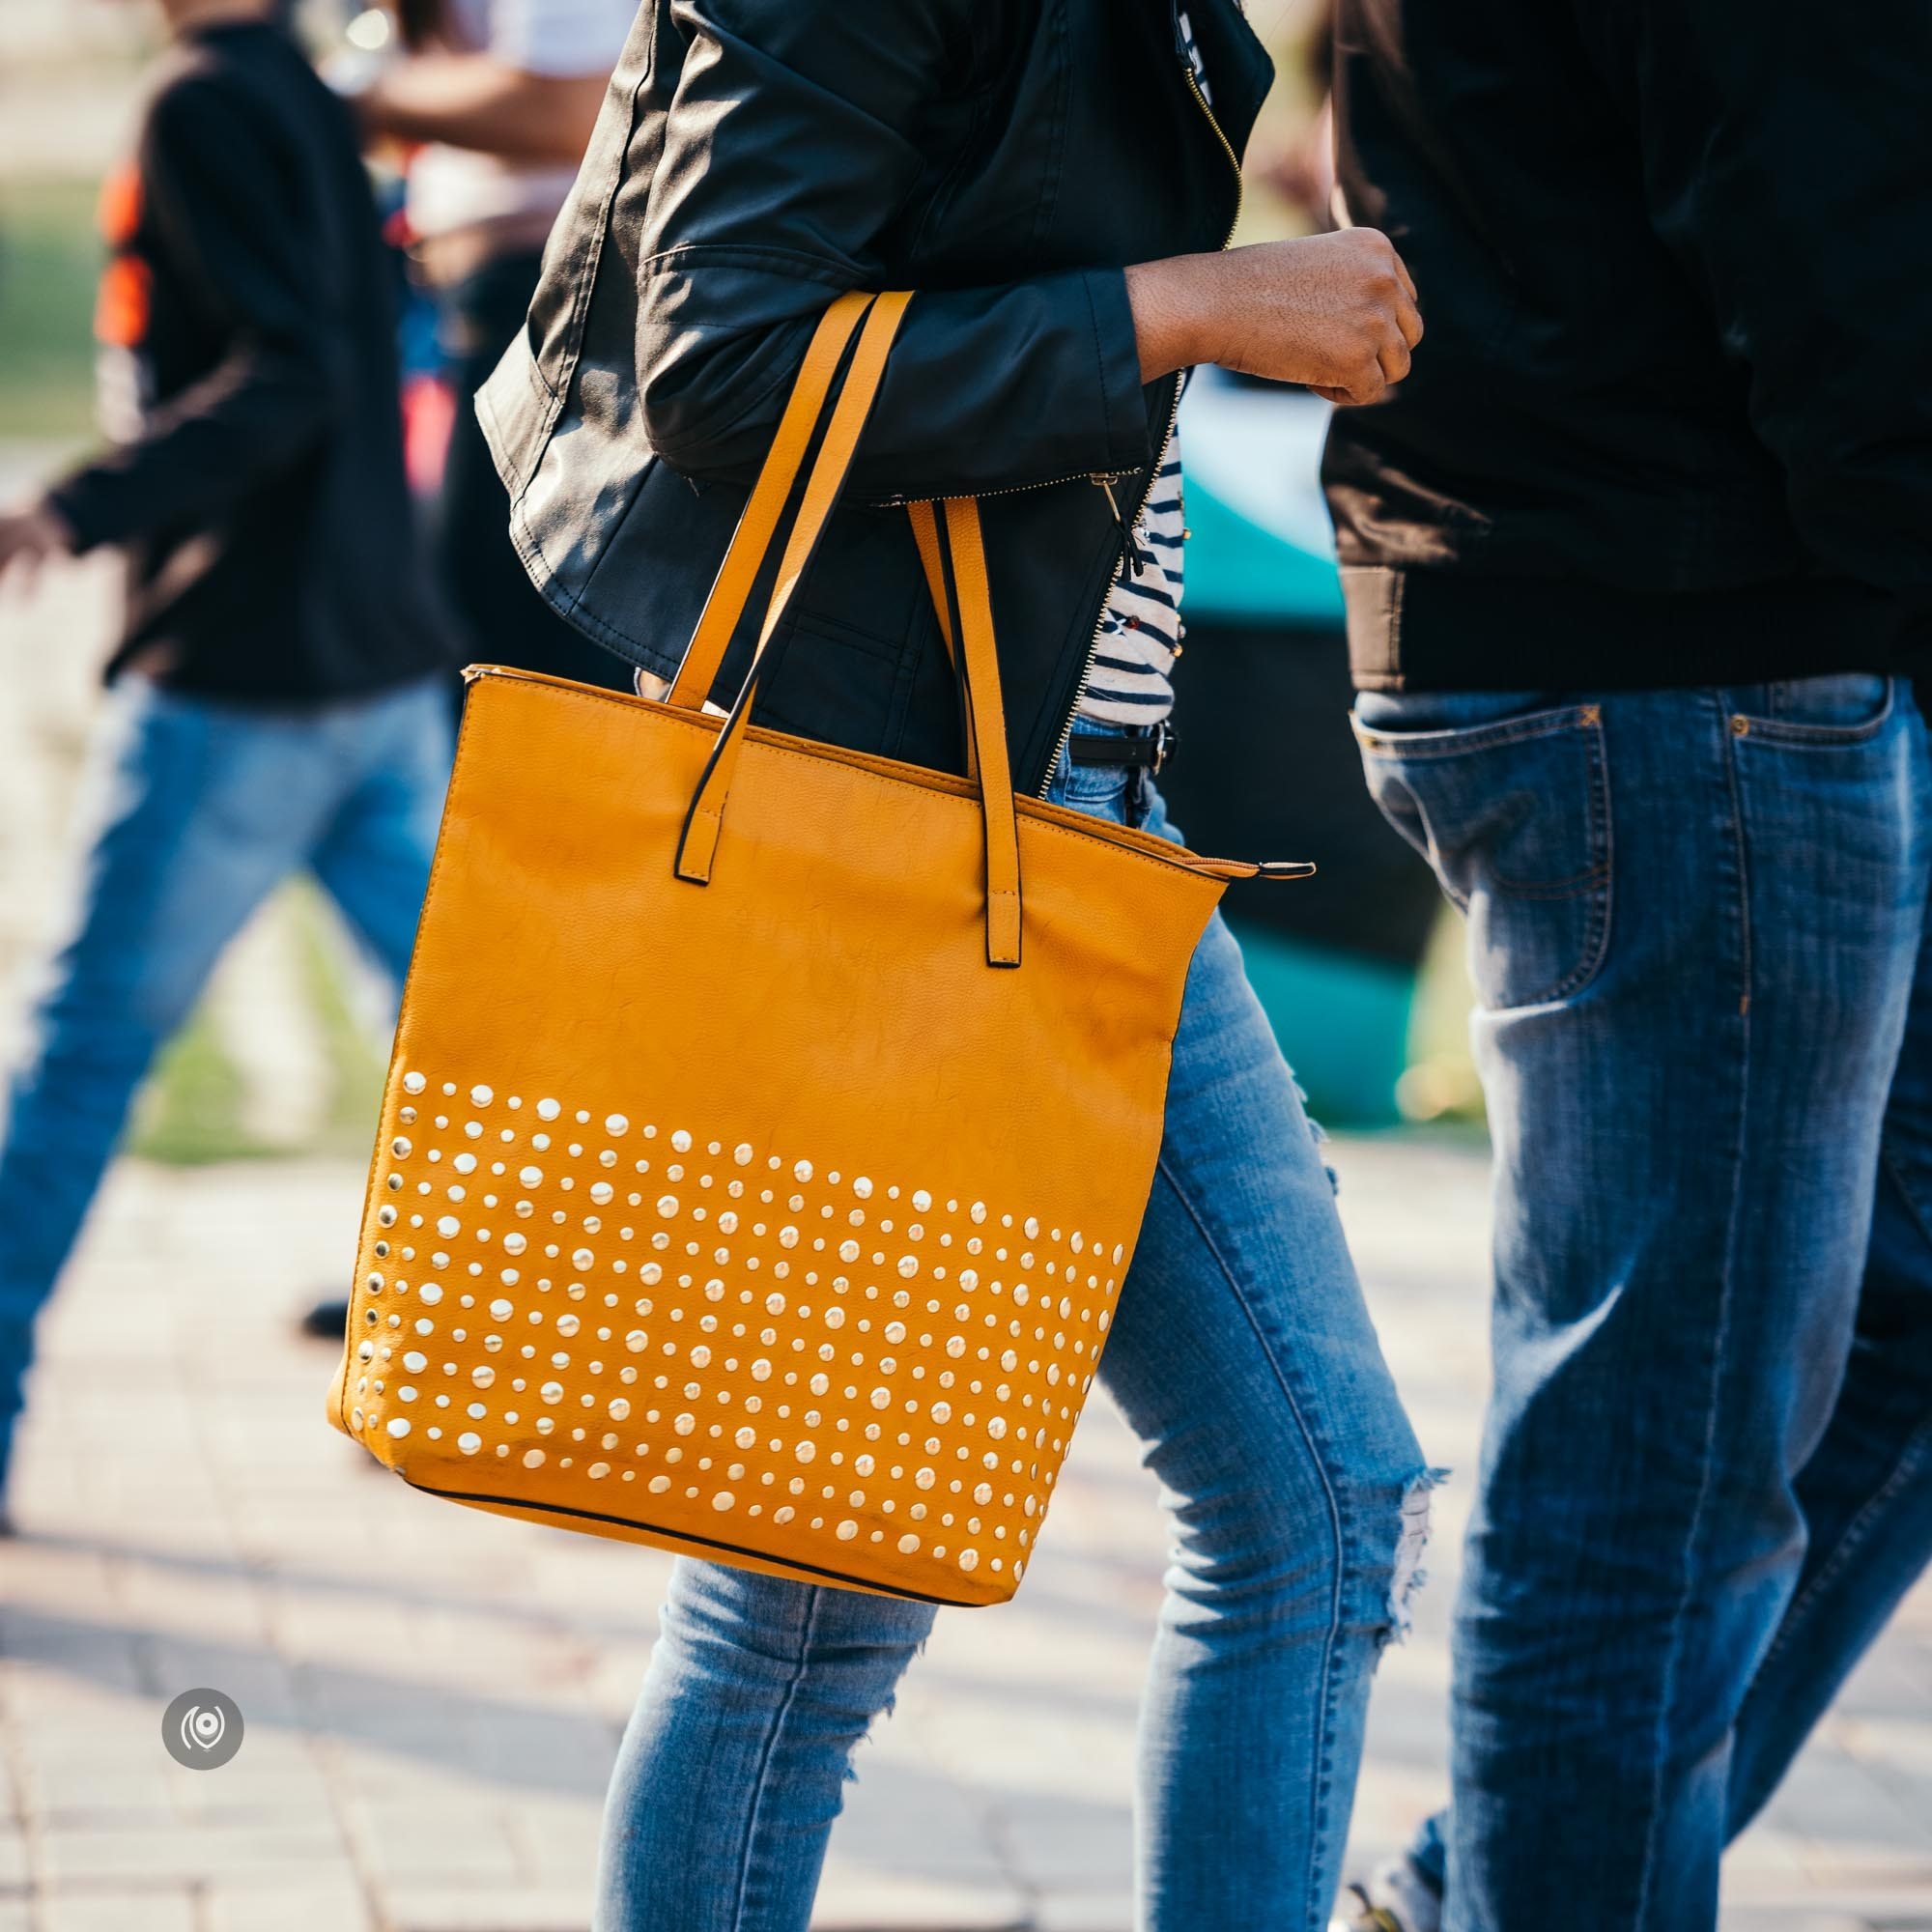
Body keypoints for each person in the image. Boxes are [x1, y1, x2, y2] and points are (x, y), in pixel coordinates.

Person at [473, 1, 1431, 1924]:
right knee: (839, 1593)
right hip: (906, 820)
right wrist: (1202, 307)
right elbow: (726, 361)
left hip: (1069, 822)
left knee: (1305, 1511)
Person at [1321, 0, 1932, 1926]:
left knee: (1850, 1336)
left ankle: (1487, 1881)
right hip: (1679, 667)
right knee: (1650, 1478)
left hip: (1666, 632)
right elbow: (1847, 265)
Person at [0, 0, 456, 1529]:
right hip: (381, 670)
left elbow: (292, 378)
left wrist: (74, 508)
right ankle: (445, 1386)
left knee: (75, 1063)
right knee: (460, 1057)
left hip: (248, 687)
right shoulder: (312, 99)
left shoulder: (203, 103)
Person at [350, 0, 637, 695]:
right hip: (477, 308)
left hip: (548, 311)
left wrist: (353, 95)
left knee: (513, 675)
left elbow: (567, 105)